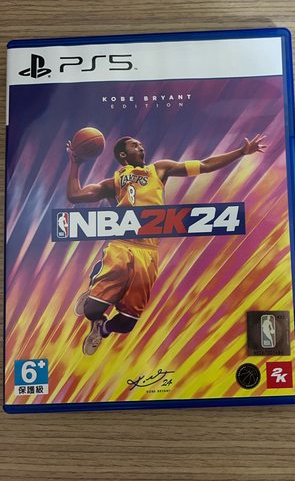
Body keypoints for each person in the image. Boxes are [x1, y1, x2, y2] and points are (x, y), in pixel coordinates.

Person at [66, 134, 266, 355]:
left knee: (127, 322)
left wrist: (241, 152)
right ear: (123, 154)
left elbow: (204, 165)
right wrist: (76, 163)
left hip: (147, 252)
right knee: (91, 310)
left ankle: (102, 328)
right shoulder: (112, 183)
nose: (141, 147)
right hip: (121, 246)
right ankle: (96, 284)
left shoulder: (159, 170)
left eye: (141, 144)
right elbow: (75, 196)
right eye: (135, 145)